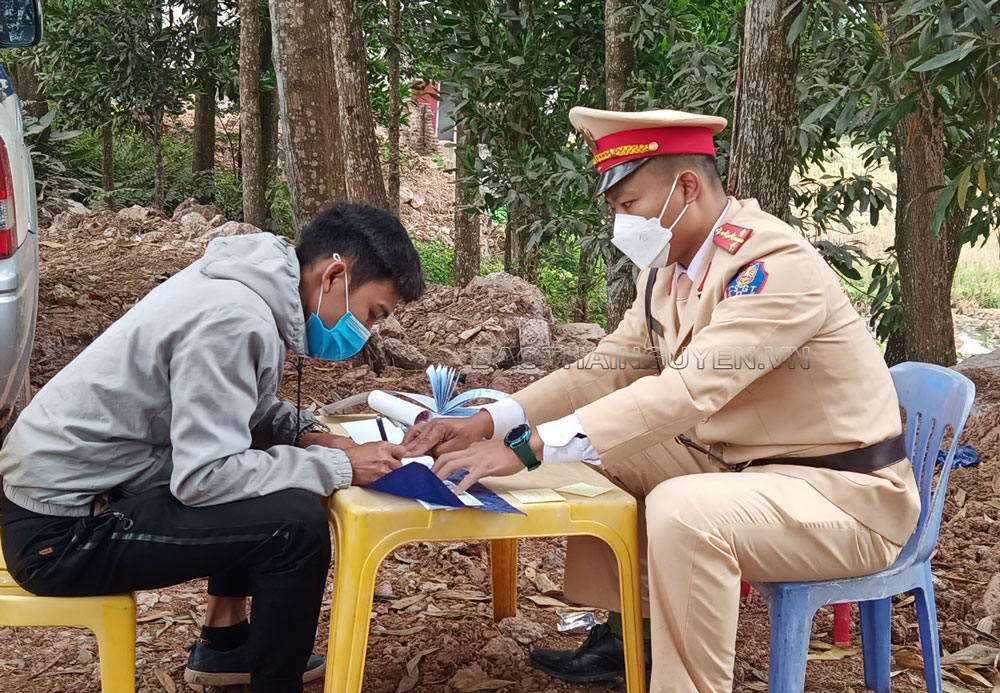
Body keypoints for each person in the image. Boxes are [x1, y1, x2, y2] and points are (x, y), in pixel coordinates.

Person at [403, 108, 921, 692]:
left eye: (629, 205)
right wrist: (487, 422)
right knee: (602, 455)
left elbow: (691, 388)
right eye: (616, 209)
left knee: (684, 511)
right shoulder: (670, 270)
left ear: (687, 187)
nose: (621, 223)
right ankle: (631, 639)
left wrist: (527, 449)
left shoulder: (772, 268)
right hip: (749, 467)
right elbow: (602, 372)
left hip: (843, 496)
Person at [0, 202, 424, 693]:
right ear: (334, 275)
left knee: (277, 486)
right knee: (294, 525)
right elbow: (206, 477)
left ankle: (227, 648)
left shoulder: (246, 288)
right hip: (62, 535)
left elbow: (240, 409)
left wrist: (310, 434)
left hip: (78, 498)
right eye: (372, 313)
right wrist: (335, 465)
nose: (366, 330)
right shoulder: (234, 319)